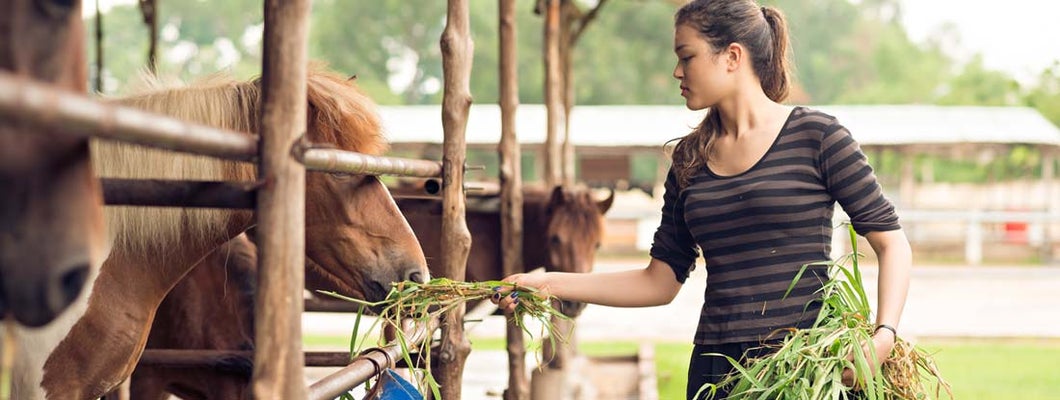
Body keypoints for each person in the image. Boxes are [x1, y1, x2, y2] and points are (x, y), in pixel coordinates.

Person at [491, 0, 912, 399]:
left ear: (732, 56)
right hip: (717, 371)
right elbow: (659, 280)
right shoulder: (689, 160)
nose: (677, 71)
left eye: (686, 56)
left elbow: (891, 243)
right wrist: (547, 282)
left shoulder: (819, 137)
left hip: (806, 366)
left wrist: (883, 337)